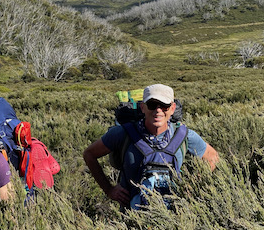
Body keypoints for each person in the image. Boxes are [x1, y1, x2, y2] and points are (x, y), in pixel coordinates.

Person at [83, 83, 219, 209]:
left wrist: (193, 185)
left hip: (175, 216)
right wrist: (109, 190)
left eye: (164, 105)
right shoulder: (123, 134)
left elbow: (212, 157)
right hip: (132, 218)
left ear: (172, 108)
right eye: (152, 105)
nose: (158, 111)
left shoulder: (184, 135)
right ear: (143, 107)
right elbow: (89, 154)